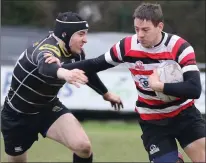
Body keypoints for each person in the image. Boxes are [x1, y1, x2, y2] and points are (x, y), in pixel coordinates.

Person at [45, 3, 205, 163]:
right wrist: (61, 66)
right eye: (136, 29)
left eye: (145, 30)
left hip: (184, 115)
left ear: (159, 26)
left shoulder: (179, 47)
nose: (140, 35)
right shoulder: (128, 46)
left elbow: (194, 88)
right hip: (153, 121)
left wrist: (160, 87)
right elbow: (94, 64)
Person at [1, 11, 123, 163]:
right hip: (18, 114)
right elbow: (45, 66)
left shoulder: (76, 53)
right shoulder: (45, 49)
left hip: (48, 108)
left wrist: (105, 94)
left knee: (83, 147)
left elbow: (86, 71)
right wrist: (64, 72)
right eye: (81, 34)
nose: (85, 40)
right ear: (66, 34)